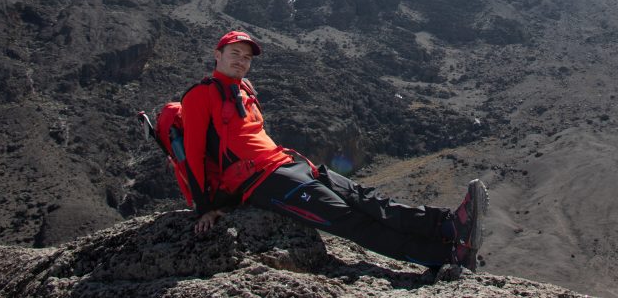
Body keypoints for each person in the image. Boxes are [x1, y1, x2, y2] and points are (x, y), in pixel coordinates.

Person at [178, 29, 488, 273]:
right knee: (347, 219)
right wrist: (205, 206)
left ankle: (449, 224)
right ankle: (446, 257)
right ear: (217, 55)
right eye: (235, 54)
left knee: (364, 198)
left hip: (288, 164)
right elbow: (193, 154)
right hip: (261, 182)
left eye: (247, 57)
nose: (242, 61)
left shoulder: (243, 88)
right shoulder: (200, 95)